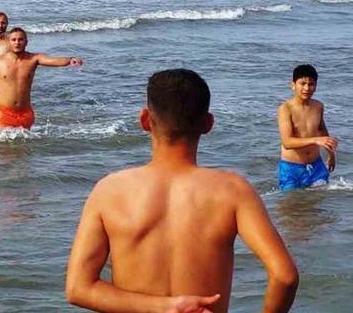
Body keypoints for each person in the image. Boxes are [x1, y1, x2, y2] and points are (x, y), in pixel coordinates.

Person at [66, 69, 299, 313]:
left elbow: (78, 288)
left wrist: (166, 307)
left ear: (145, 120)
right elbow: (285, 276)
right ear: (208, 124)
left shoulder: (109, 191)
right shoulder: (233, 191)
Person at [0, 28, 83, 133]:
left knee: (21, 150)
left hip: (25, 114)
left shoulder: (33, 59)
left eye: (20, 40)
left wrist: (69, 60)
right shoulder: (0, 61)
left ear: (26, 42)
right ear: (9, 42)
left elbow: (53, 60)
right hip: (2, 112)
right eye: (14, 40)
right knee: (4, 145)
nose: (17, 43)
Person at [277, 64, 338, 191]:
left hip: (316, 166)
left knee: (316, 206)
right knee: (291, 206)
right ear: (293, 85)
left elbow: (323, 132)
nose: (307, 88)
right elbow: (287, 142)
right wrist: (315, 140)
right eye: (302, 83)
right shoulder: (286, 109)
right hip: (292, 169)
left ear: (316, 86)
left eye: (311, 84)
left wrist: (331, 155)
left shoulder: (318, 106)